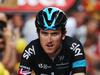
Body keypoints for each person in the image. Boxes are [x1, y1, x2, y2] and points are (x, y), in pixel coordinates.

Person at [17, 7, 87, 75]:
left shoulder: (74, 46)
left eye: (54, 34)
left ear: (63, 35)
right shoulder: (31, 50)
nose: (49, 40)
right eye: (44, 33)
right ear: (38, 34)